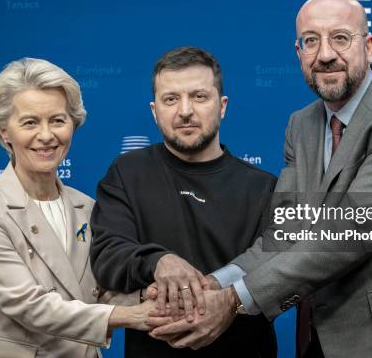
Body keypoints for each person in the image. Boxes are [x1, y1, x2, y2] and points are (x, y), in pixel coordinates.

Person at [148, 0, 372, 358]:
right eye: (311, 41)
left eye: (340, 38)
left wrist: (233, 300)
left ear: (369, 46)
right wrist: (210, 285)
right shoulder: (301, 125)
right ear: (298, 53)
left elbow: (352, 231)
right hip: (319, 338)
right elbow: (286, 232)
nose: (325, 54)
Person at [0, 58, 166, 358]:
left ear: (73, 124)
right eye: (30, 122)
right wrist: (133, 316)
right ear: (4, 131)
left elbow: (96, 292)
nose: (46, 135)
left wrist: (145, 297)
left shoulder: (87, 206)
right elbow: (30, 306)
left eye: (57, 120)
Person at [90, 46, 278, 357]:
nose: (185, 110)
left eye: (199, 96)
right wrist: (159, 261)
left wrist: (229, 301)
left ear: (222, 106)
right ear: (154, 111)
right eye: (171, 99)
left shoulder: (264, 187)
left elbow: (280, 270)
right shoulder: (126, 173)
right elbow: (107, 254)